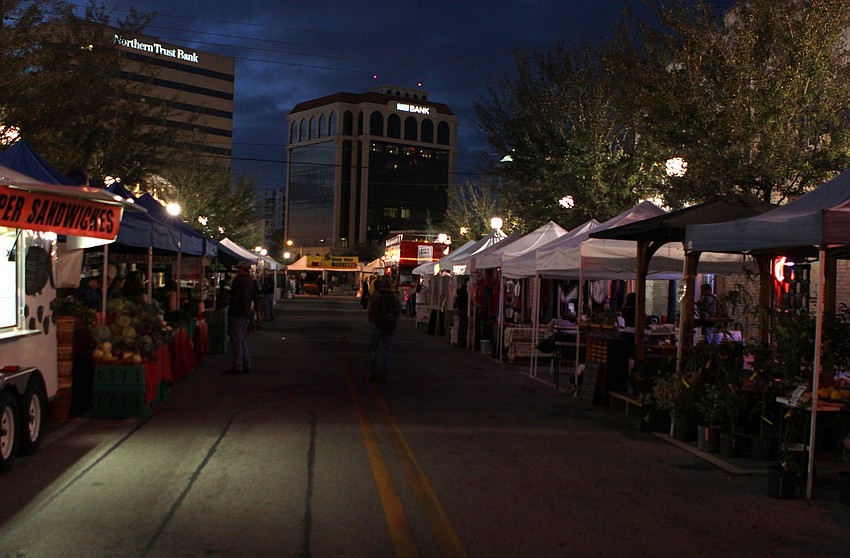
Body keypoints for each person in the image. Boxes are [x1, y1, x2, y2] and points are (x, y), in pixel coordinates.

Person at [367, 275, 401, 383]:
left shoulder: (376, 295)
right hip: (390, 326)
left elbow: (370, 309)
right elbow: (398, 311)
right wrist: (394, 320)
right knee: (387, 351)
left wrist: (372, 319)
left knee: (373, 349)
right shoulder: (395, 296)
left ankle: (374, 370)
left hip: (377, 324)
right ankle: (383, 374)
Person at [225, 261, 255, 375]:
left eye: (239, 269)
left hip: (237, 313)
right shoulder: (250, 281)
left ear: (242, 269)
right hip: (246, 313)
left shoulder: (239, 281)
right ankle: (246, 364)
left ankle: (238, 365)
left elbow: (235, 298)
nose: (238, 270)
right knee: (242, 340)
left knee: (236, 340)